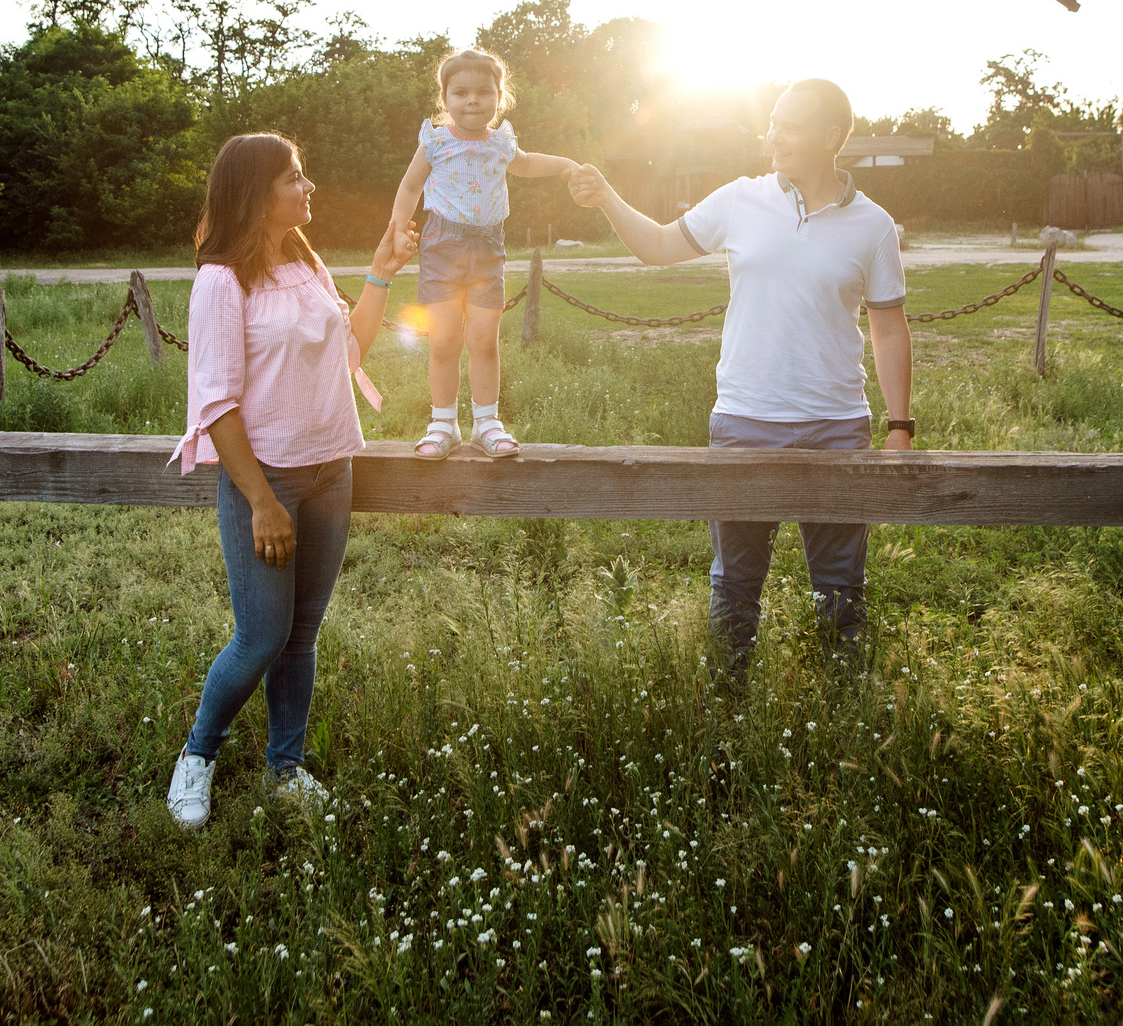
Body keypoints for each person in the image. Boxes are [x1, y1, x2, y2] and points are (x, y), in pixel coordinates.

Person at [567, 78, 912, 670]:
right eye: (772, 120)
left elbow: (888, 327)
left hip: (836, 428)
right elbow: (655, 246)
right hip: (745, 422)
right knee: (734, 586)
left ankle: (842, 717)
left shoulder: (874, 225)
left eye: (789, 124)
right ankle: (729, 716)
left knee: (840, 589)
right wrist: (605, 196)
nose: (772, 133)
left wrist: (900, 425)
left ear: (830, 136)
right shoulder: (741, 199)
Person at [166, 132, 417, 830]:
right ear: (256, 193)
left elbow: (351, 349)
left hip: (332, 471)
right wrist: (261, 499)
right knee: (260, 636)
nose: (308, 188)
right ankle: (197, 755)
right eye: (294, 178)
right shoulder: (221, 280)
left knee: (301, 635)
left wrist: (381, 270)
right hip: (267, 479)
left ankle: (285, 767)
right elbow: (215, 403)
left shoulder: (305, 265)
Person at [388, 48, 576, 457]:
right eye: (460, 93)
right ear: (445, 99)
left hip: (488, 250)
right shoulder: (435, 141)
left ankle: (486, 423)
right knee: (443, 341)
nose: (472, 100)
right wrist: (398, 229)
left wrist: (565, 164)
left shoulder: (501, 143)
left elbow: (526, 164)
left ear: (498, 96)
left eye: (483, 92)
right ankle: (443, 425)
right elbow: (409, 188)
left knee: (483, 340)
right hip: (441, 247)